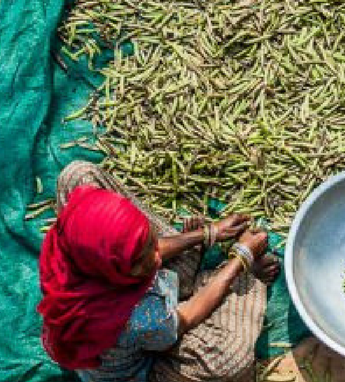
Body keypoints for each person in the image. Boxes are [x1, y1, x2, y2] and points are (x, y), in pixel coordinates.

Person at [37, 161, 280, 382]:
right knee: (228, 361)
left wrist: (208, 234)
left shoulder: (67, 254)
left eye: (151, 245)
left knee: (78, 175)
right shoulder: (138, 315)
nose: (157, 256)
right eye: (142, 257)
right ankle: (240, 282)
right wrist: (241, 258)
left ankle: (184, 270)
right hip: (140, 366)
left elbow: (137, 252)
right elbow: (188, 315)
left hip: (132, 308)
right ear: (117, 268)